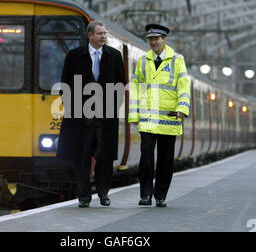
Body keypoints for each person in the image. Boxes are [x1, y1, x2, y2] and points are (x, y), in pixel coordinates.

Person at [56, 21, 126, 208]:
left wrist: (112, 107)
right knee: (82, 157)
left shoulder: (114, 56)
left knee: (104, 157)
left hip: (105, 116)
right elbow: (65, 83)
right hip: (80, 117)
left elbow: (121, 84)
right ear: (90, 35)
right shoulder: (74, 56)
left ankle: (103, 194)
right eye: (100, 33)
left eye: (105, 33)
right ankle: (84, 196)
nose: (103, 36)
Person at [128, 24, 191, 207]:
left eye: (157, 38)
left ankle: (160, 195)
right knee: (146, 158)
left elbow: (183, 87)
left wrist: (182, 108)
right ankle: (145, 195)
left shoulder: (177, 60)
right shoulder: (142, 61)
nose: (153, 42)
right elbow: (136, 88)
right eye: (150, 39)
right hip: (147, 120)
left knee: (165, 160)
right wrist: (134, 115)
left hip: (169, 119)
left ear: (164, 39)